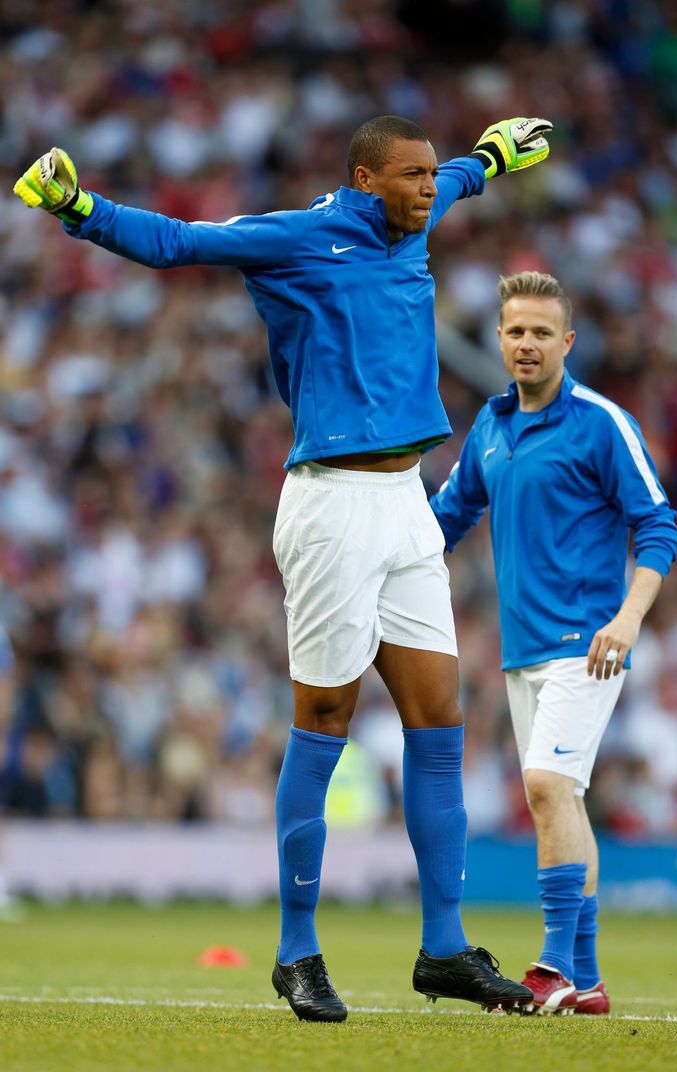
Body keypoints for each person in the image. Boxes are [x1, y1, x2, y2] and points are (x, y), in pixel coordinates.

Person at [13, 116, 554, 1022]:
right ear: (366, 178)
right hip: (332, 504)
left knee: (440, 722)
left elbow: (464, 173)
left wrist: (493, 156)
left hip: (407, 503)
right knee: (327, 719)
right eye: (414, 178)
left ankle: (445, 948)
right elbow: (179, 243)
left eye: (432, 177)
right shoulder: (299, 236)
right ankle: (297, 953)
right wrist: (76, 205)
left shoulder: (414, 214)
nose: (431, 190)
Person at [431, 271, 677, 1015]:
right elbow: (446, 518)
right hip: (522, 650)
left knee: (543, 787)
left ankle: (553, 965)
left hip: (591, 641)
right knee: (561, 794)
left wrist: (629, 619)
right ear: (499, 339)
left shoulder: (603, 422)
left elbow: (660, 524)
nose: (528, 343)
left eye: (543, 332)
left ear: (567, 341)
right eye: (516, 331)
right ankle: (592, 981)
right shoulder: (491, 426)